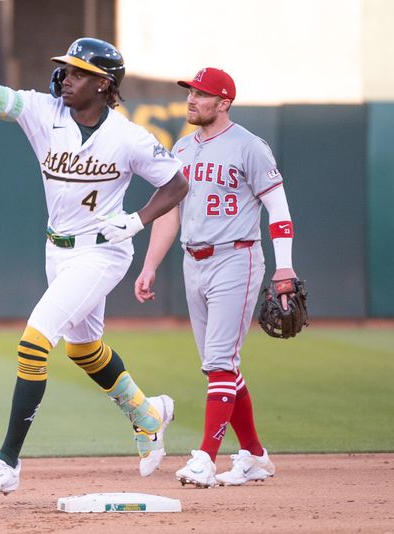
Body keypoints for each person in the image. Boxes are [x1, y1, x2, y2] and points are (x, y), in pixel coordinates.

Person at [0, 37, 188, 497]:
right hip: (59, 250)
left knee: (34, 343)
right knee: (83, 349)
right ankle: (147, 413)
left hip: (102, 253)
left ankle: (7, 462)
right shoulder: (43, 112)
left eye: (77, 72)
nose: (65, 77)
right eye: (66, 70)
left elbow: (175, 184)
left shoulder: (129, 137)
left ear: (103, 84)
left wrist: (136, 220)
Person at [134, 67, 296, 487]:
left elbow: (277, 210)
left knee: (220, 362)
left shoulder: (249, 147)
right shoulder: (183, 148)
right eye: (190, 92)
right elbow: (171, 213)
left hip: (236, 259)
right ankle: (256, 456)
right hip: (194, 261)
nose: (191, 99)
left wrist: (284, 267)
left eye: (201, 94)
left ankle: (205, 458)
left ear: (224, 103)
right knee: (217, 367)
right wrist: (150, 265)